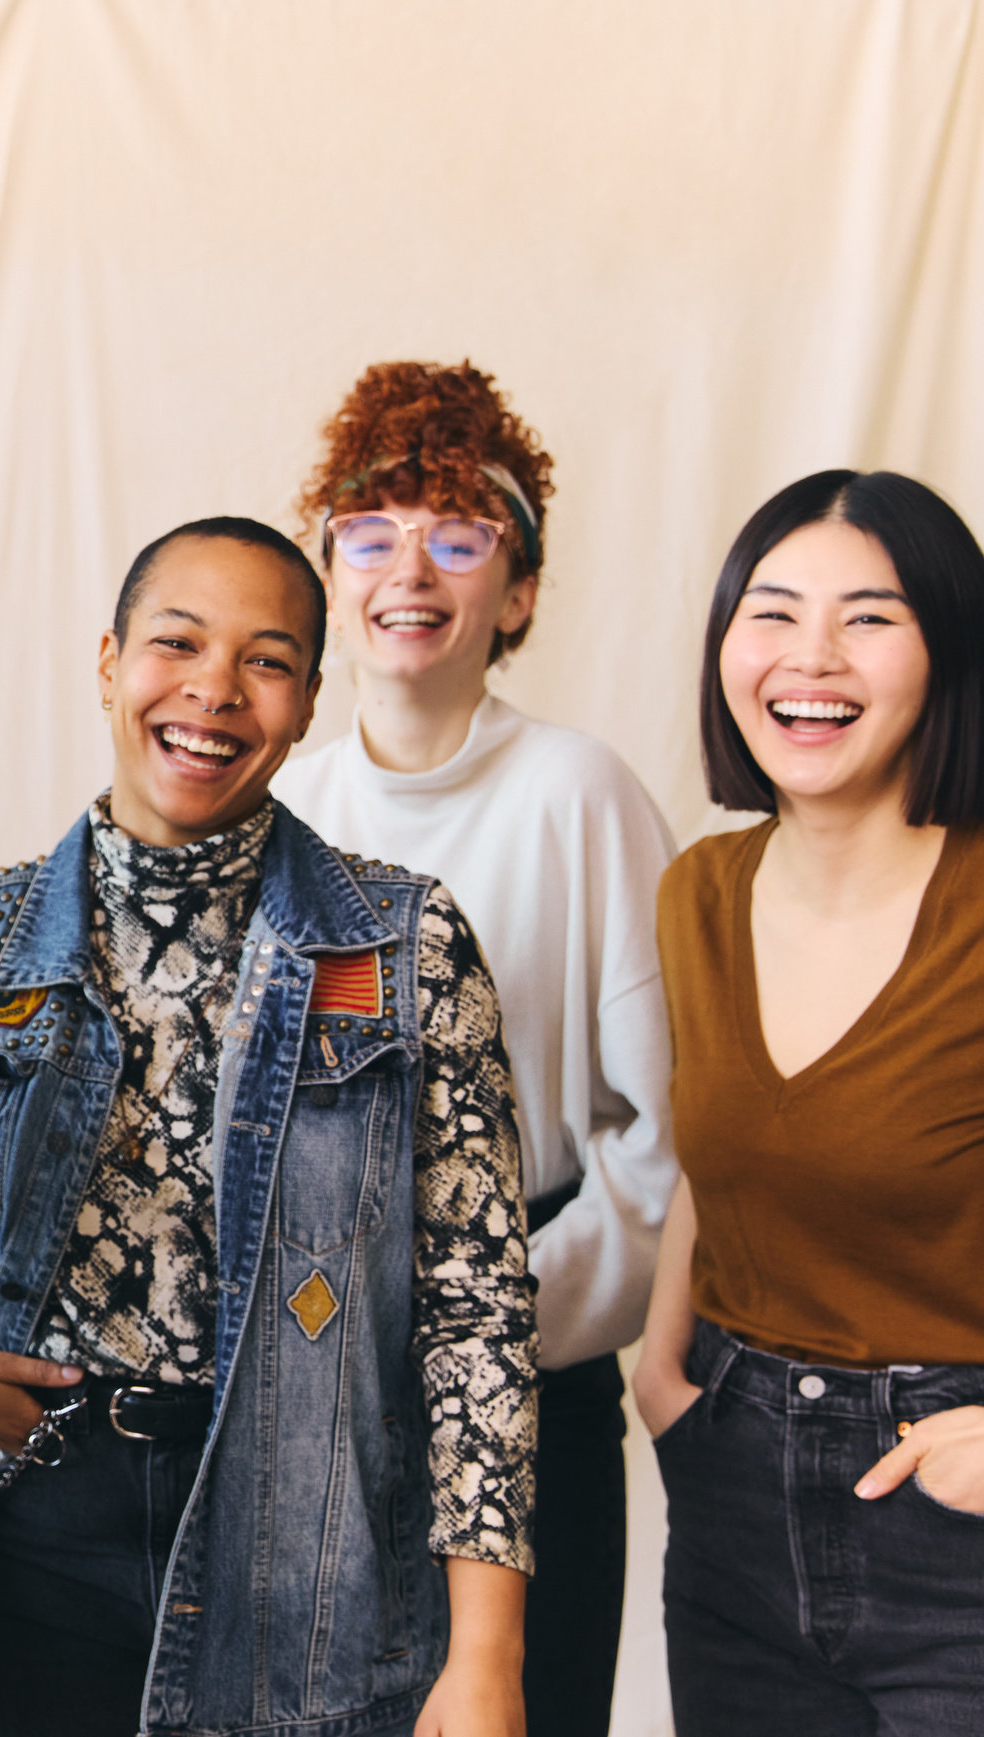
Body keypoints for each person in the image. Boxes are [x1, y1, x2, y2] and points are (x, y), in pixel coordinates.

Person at [0, 519, 539, 1737]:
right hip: (29, 1532)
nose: (212, 692)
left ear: (304, 705)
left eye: (266, 660)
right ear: (106, 662)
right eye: (175, 642)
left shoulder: (403, 948)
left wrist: (488, 1654)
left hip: (309, 1538)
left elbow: (475, 1310)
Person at [270, 361, 678, 1733]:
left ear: (514, 593)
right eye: (369, 532)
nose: (409, 568)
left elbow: (656, 1133)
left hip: (535, 1367)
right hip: (312, 1386)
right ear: (326, 567)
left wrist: (492, 1330)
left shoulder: (579, 794)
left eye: (457, 535)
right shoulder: (281, 804)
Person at [633, 470, 984, 1735]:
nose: (811, 657)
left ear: (949, 651)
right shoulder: (698, 890)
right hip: (730, 1491)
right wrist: (660, 1370)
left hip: (957, 1512)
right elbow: (708, 1162)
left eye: (871, 618)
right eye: (771, 613)